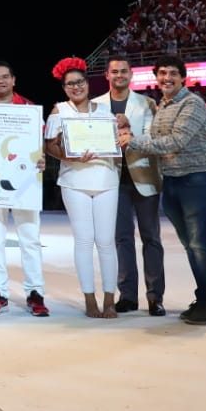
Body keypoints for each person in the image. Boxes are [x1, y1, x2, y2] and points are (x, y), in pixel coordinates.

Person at [115, 54, 206, 325]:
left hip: (199, 179)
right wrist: (131, 132)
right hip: (173, 179)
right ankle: (203, 299)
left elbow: (175, 141)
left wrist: (133, 141)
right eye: (162, 73)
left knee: (199, 244)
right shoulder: (163, 105)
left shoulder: (192, 103)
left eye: (173, 73)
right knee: (190, 244)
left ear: (183, 77)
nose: (167, 78)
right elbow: (156, 137)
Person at [44, 57, 120, 319]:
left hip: (106, 180)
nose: (76, 87)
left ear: (87, 83)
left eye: (80, 82)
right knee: (84, 241)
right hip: (75, 182)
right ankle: (89, 298)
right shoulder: (59, 110)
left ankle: (110, 298)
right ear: (63, 88)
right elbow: (49, 145)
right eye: (69, 84)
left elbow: (117, 140)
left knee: (107, 241)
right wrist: (70, 157)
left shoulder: (104, 110)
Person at [0, 61, 49, 317]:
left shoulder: (28, 108)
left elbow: (40, 143)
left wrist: (42, 158)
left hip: (25, 182)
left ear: (14, 80)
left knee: (30, 239)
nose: (1, 81)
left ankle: (35, 292)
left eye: (6, 77)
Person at [95, 55, 163, 317]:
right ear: (107, 75)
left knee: (151, 238)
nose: (119, 75)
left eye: (124, 71)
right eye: (115, 72)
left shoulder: (146, 103)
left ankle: (155, 297)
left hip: (144, 176)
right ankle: (128, 296)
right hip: (112, 179)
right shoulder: (95, 105)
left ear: (131, 75)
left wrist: (128, 129)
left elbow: (153, 136)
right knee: (122, 239)